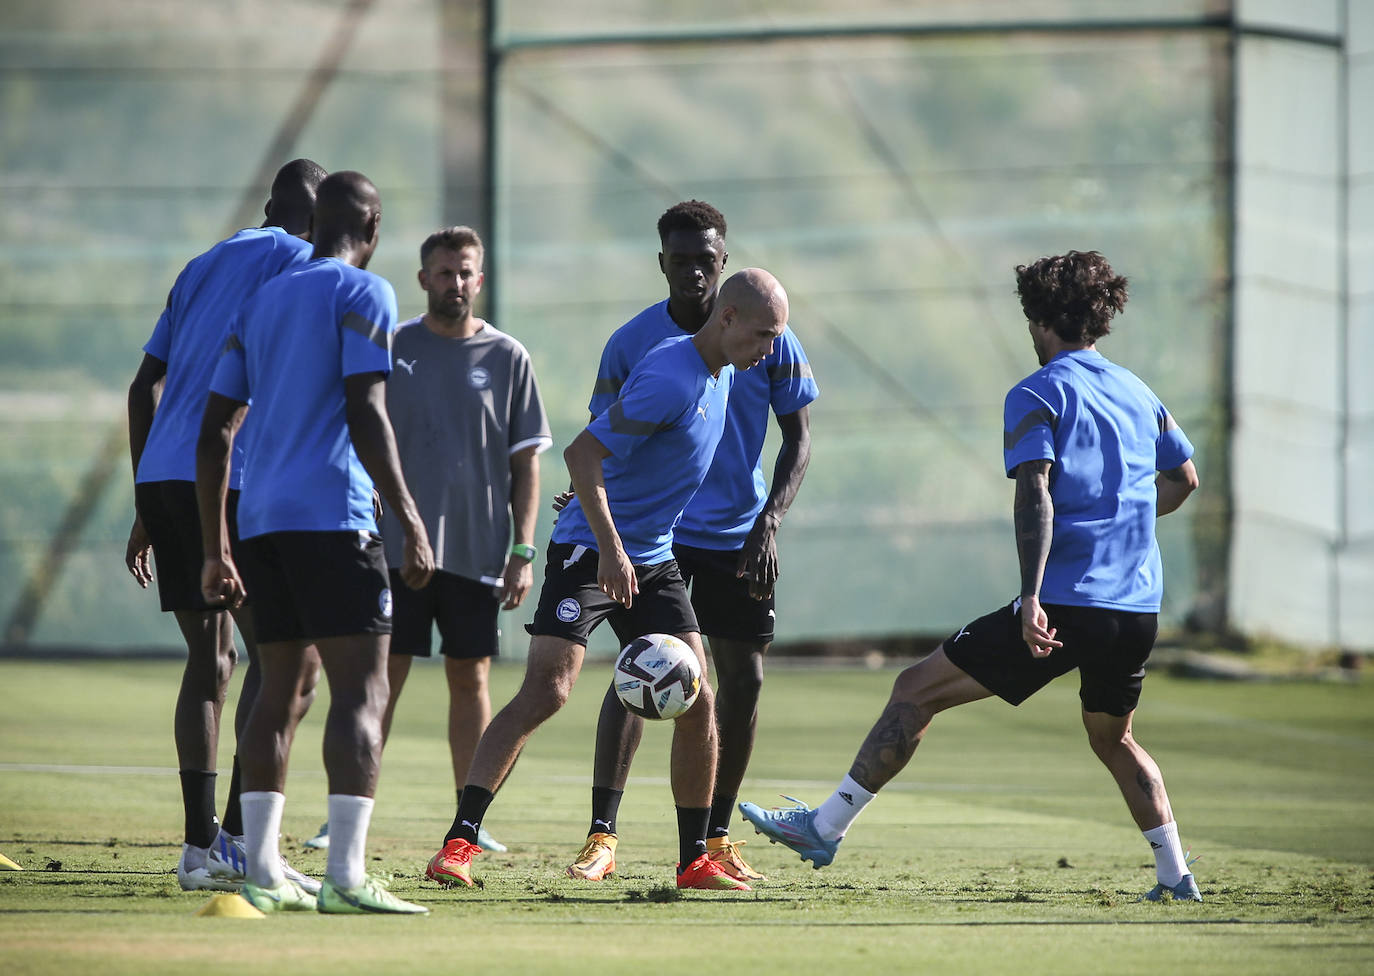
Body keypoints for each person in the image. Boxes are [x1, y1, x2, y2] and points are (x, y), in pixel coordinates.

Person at [740, 250, 1204, 903]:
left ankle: (825, 826)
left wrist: (1034, 596)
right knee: (1115, 737)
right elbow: (1184, 479)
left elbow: (1035, 495)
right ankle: (1176, 877)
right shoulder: (1139, 392)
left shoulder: (1038, 393)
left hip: (1066, 602)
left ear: (1041, 318)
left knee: (914, 688)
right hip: (1136, 609)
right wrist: (1122, 519)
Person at [423, 268, 791, 892]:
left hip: (652, 554)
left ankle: (694, 858)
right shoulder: (670, 375)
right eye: (764, 334)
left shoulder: (725, 370)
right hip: (592, 551)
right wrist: (611, 550)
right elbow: (581, 455)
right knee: (548, 690)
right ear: (727, 319)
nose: (771, 350)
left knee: (697, 695)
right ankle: (458, 843)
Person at [197, 170, 436, 915]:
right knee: (362, 691)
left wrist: (216, 547)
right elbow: (366, 409)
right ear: (371, 229)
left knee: (277, 691)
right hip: (335, 517)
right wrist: (410, 516)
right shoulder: (366, 292)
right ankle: (346, 874)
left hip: (261, 519)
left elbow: (215, 431)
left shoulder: (262, 299)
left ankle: (263, 869)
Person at [566, 201, 818, 885]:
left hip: (740, 536)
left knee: (741, 681)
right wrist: (590, 503)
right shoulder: (634, 342)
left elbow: (799, 436)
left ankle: (713, 836)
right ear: (663, 263)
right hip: (659, 538)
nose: (693, 271)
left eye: (705, 259)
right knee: (642, 671)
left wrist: (769, 521)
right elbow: (602, 441)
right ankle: (602, 834)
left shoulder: (769, 330)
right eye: (680, 260)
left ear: (723, 262)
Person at [306, 226, 552, 856]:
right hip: (393, 550)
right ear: (423, 279)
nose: (456, 283)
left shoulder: (507, 356)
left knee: (470, 680)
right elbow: (360, 434)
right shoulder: (393, 347)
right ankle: (347, 815)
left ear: (480, 279)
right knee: (380, 679)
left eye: (466, 272)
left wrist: (522, 552)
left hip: (476, 551)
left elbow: (528, 464)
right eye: (445, 273)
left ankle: (469, 820)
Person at [125, 158, 327, 895]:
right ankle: (244, 844)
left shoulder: (202, 265)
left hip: (167, 476)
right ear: (318, 219)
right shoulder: (305, 261)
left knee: (211, 662)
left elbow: (143, 383)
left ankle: (198, 848)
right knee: (292, 663)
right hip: (233, 478)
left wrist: (147, 499)